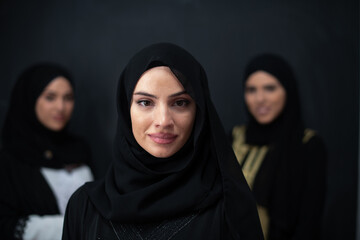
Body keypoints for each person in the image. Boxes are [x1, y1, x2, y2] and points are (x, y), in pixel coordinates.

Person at [62, 43, 264, 240]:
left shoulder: (228, 208)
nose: (163, 121)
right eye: (145, 102)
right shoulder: (84, 207)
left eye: (180, 103)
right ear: (126, 110)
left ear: (199, 112)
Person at [231, 53, 327, 240]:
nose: (260, 99)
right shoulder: (235, 137)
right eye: (251, 90)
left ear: (287, 90)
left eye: (270, 88)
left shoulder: (308, 146)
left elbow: (308, 224)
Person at [0, 63, 94, 240]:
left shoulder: (79, 148)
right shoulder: (10, 159)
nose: (61, 107)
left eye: (68, 98)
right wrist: (74, 227)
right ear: (30, 99)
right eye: (50, 97)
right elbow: (5, 225)